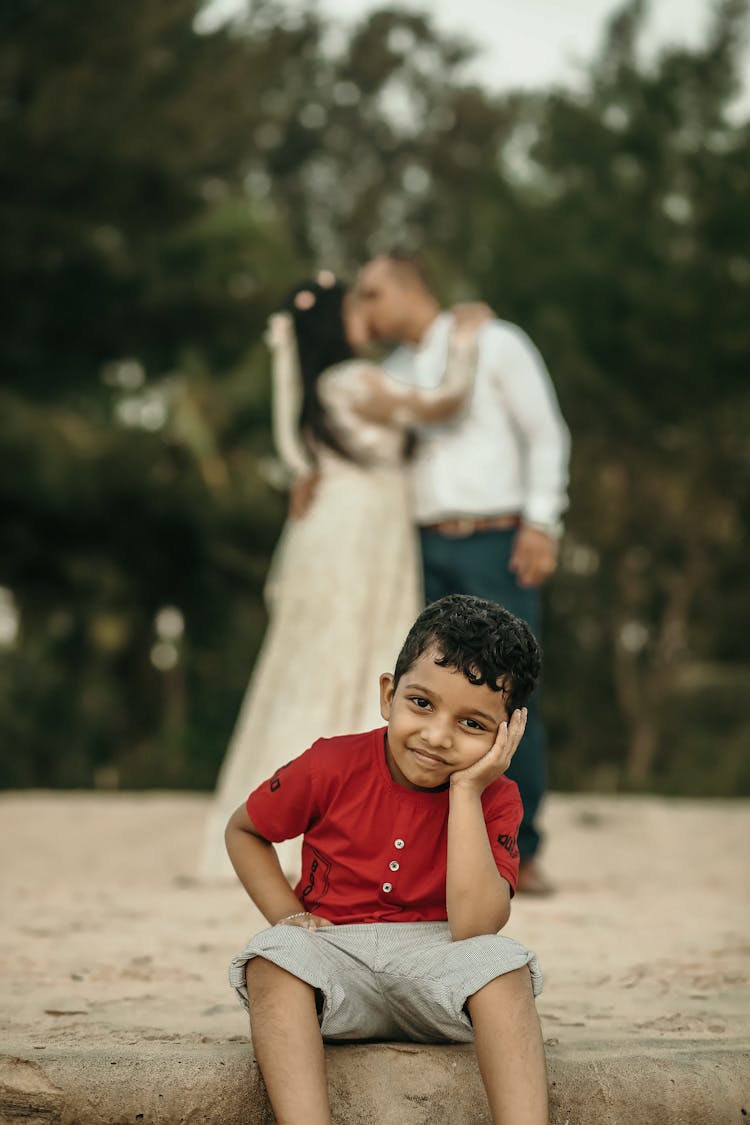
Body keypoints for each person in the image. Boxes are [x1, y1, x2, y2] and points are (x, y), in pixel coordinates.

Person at [198, 273, 487, 879]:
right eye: (356, 306)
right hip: (362, 533)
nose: (367, 316)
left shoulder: (313, 393)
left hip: (337, 530)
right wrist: (463, 343)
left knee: (319, 662)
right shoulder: (351, 379)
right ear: (338, 321)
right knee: (361, 656)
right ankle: (349, 827)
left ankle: (295, 815)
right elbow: (444, 403)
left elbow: (297, 451)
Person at [226, 593, 548, 1125]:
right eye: (421, 703)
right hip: (334, 957)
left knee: (504, 965)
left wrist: (467, 792)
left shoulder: (498, 798)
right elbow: (244, 830)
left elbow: (475, 929)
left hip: (440, 962)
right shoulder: (329, 762)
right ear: (388, 694)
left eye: (472, 725)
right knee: (271, 956)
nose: (437, 736)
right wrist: (288, 917)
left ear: (507, 735)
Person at [356, 253, 571, 895]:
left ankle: (520, 847)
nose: (366, 309)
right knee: (426, 693)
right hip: (419, 545)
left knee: (505, 687)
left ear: (408, 285)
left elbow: (546, 433)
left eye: (373, 295)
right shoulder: (391, 371)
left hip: (494, 538)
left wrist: (543, 522)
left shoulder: (496, 342)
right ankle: (436, 843)